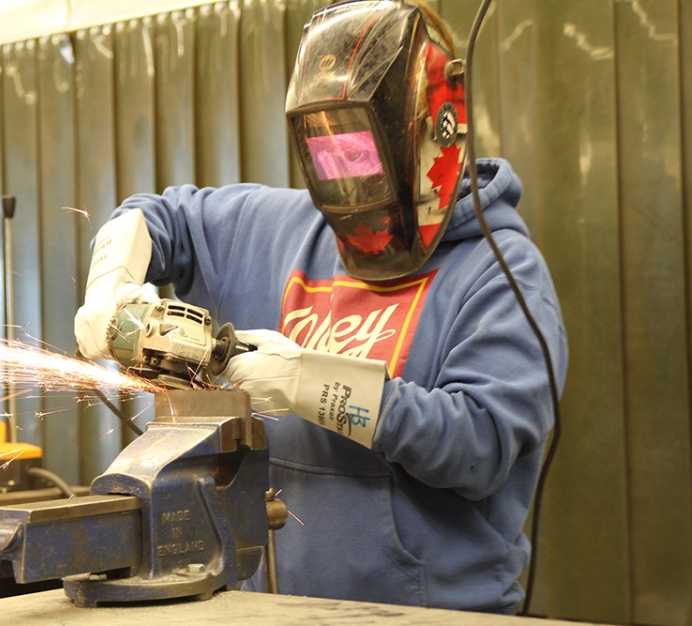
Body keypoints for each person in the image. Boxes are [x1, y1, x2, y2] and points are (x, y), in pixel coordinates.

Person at [75, 0, 567, 615]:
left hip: (431, 613)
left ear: (437, 126)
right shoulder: (278, 229)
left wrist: (315, 383)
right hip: (272, 609)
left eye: (362, 154)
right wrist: (113, 277)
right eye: (328, 156)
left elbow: (479, 446)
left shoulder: (501, 275)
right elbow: (162, 215)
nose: (346, 184)